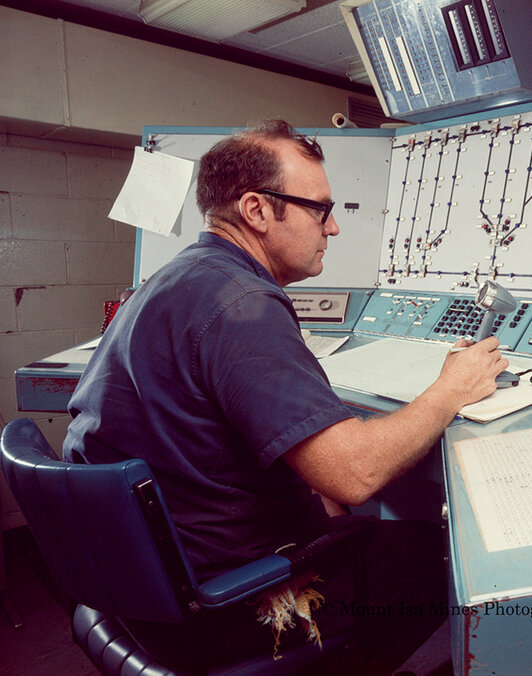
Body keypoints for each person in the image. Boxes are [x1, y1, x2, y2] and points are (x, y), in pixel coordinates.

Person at [63, 120, 508, 673]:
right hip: (226, 603)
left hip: (141, 587)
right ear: (256, 210)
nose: (335, 227)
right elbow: (356, 473)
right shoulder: (242, 302)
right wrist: (451, 390)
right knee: (438, 558)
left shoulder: (173, 279)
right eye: (320, 209)